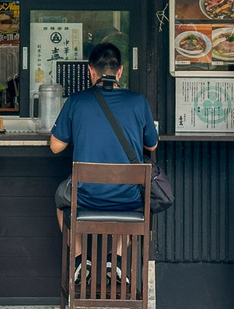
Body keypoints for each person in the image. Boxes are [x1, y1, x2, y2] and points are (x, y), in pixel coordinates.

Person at [49, 42, 158, 282]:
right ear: (120, 72)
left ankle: (80, 261)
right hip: (127, 199)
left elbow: (56, 147)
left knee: (60, 203)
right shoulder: (138, 102)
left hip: (85, 197)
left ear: (91, 71)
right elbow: (152, 145)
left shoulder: (77, 102)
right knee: (139, 202)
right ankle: (115, 260)